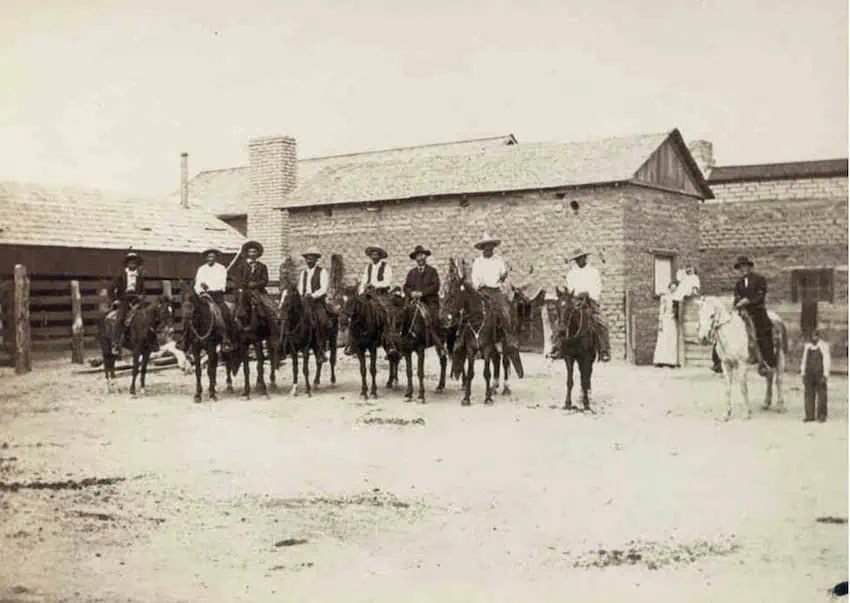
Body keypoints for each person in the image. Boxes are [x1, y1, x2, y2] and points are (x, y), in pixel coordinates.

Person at [712, 256, 774, 375]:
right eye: (740, 268)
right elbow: (736, 297)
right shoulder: (739, 283)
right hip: (742, 312)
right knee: (723, 328)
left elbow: (760, 295)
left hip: (757, 311)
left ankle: (766, 361)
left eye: (745, 266)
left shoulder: (759, 279)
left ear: (750, 267)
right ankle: (718, 361)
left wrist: (748, 301)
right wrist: (738, 304)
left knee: (762, 331)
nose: (742, 269)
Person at [550, 248, 611, 362]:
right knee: (561, 320)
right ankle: (557, 347)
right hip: (574, 301)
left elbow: (597, 289)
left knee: (602, 322)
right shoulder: (571, 274)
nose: (579, 261)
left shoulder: (593, 272)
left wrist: (588, 293)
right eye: (577, 259)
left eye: (581, 258)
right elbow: (570, 289)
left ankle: (604, 350)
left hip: (589, 301)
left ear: (585, 258)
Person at [346, 245, 398, 356]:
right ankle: (352, 343)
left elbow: (387, 282)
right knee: (355, 312)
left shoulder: (386, 267)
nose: (374, 256)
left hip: (380, 294)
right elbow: (364, 281)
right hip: (367, 294)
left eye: (376, 254)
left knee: (386, 312)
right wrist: (360, 293)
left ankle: (389, 344)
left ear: (380, 256)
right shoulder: (368, 267)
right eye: (372, 254)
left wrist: (374, 285)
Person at [470, 232, 518, 351]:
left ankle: (508, 337)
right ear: (482, 248)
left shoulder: (498, 260)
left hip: (496, 291)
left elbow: (502, 275)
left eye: (490, 246)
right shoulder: (478, 262)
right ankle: (472, 339)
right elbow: (474, 278)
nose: (488, 248)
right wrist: (479, 286)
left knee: (505, 309)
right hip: (482, 291)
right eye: (486, 246)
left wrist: (504, 276)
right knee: (473, 312)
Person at [403, 244, 447, 358]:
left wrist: (422, 293)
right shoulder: (411, 273)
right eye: (418, 256)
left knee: (434, 318)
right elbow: (406, 286)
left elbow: (435, 286)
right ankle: (401, 345)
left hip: (429, 301)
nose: (420, 258)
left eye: (422, 255)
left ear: (425, 257)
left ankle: (439, 343)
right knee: (403, 316)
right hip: (414, 301)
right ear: (415, 259)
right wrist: (411, 293)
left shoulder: (432, 271)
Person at [193, 248, 235, 353]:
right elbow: (197, 283)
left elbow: (222, 284)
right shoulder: (202, 269)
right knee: (193, 313)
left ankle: (226, 338)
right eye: (209, 257)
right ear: (206, 258)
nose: (210, 258)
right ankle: (189, 339)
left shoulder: (221, 269)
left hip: (216, 295)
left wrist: (210, 288)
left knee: (225, 312)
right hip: (203, 295)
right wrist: (201, 290)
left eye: (213, 257)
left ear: (216, 258)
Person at [231, 240, 278, 330]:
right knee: (240, 304)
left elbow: (265, 280)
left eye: (254, 252)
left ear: (257, 253)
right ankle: (237, 320)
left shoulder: (262, 266)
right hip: (244, 290)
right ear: (247, 253)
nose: (252, 254)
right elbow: (238, 279)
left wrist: (256, 284)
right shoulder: (241, 265)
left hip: (258, 291)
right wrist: (246, 285)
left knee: (268, 306)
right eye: (250, 252)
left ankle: (267, 322)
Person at [109, 251, 146, 355]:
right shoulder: (121, 275)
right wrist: (114, 300)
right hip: (124, 301)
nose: (132, 264)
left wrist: (141, 297)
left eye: (134, 262)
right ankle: (116, 344)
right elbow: (110, 289)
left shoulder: (140, 276)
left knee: (147, 318)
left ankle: (150, 343)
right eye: (130, 262)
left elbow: (143, 290)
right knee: (120, 319)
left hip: (136, 301)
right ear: (127, 264)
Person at [297, 246, 330, 362]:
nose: (309, 260)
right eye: (307, 258)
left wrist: (313, 295)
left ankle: (321, 349)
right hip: (305, 301)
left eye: (311, 258)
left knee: (321, 321)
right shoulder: (303, 273)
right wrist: (302, 294)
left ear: (316, 260)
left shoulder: (322, 272)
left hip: (317, 302)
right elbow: (300, 287)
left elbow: (324, 288)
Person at [800, 329, 830, 423]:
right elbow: (804, 360)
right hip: (809, 373)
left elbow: (826, 360)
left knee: (822, 395)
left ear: (818, 337)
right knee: (809, 394)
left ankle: (821, 415)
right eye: (812, 337)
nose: (814, 339)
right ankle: (809, 415)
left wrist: (825, 374)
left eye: (815, 337)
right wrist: (803, 373)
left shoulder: (823, 346)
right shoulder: (807, 347)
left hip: (819, 373)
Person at [653, 280, 679, 367]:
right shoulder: (665, 297)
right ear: (669, 288)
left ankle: (671, 362)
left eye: (675, 289)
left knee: (672, 340)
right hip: (665, 320)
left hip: (672, 321)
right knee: (663, 340)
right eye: (672, 288)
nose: (673, 290)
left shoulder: (677, 297)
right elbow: (662, 310)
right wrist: (660, 322)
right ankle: (661, 360)